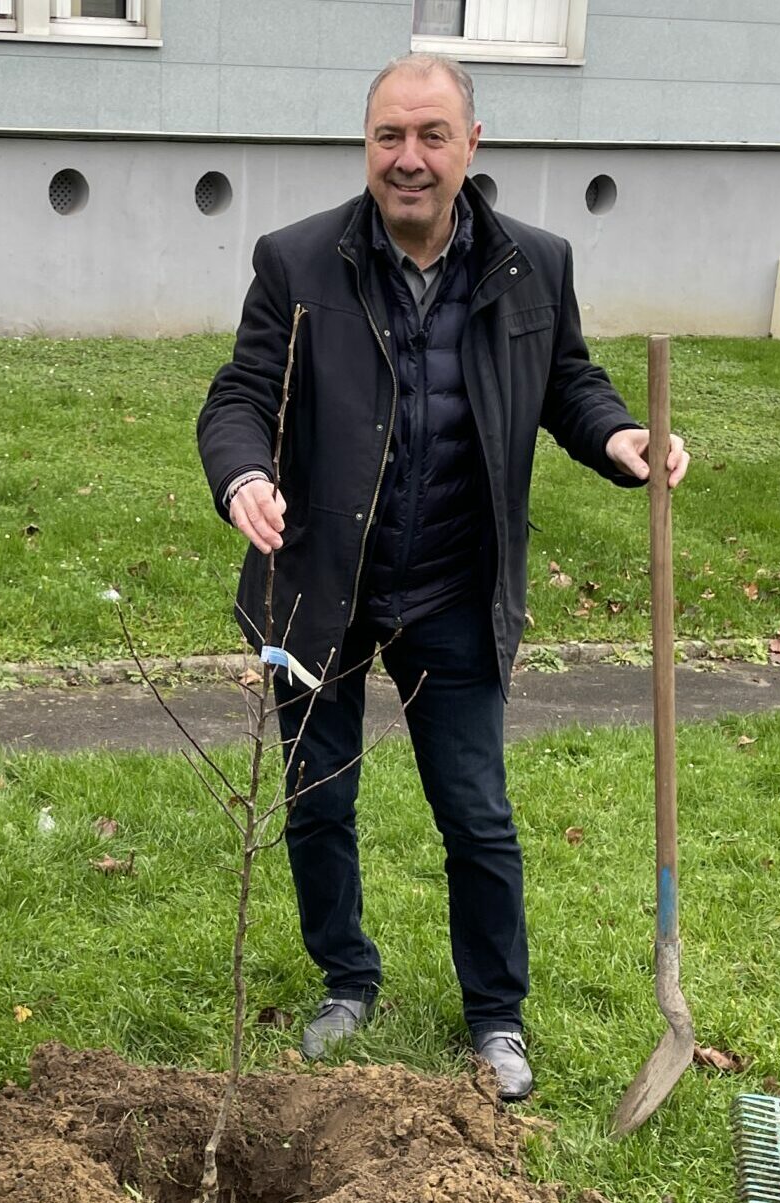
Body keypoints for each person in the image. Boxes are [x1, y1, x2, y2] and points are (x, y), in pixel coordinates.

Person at [196, 54, 689, 1102]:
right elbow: (239, 392)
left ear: (472, 145)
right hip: (320, 578)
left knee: (476, 810)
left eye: (429, 136)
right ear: (365, 145)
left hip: (456, 583)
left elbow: (567, 382)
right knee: (318, 799)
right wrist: (242, 472)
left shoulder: (532, 265)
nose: (407, 159)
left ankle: (496, 1015)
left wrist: (621, 438)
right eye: (388, 137)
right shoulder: (298, 262)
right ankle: (346, 980)